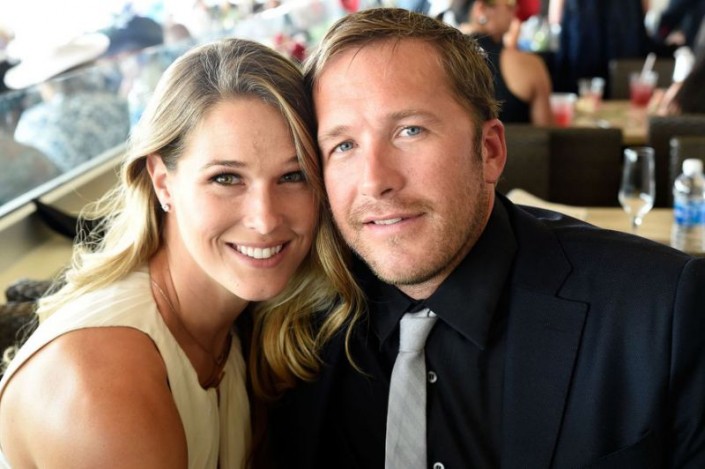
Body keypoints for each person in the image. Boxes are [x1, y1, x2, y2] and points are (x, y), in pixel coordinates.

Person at [268, 8, 705, 468]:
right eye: (344, 145)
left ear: (490, 150)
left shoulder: (662, 313)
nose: (375, 181)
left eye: (410, 130)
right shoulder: (290, 324)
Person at [0, 37, 361, 468]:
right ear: (162, 182)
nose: (265, 219)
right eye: (226, 178)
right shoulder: (103, 383)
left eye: (293, 176)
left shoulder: (244, 327)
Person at [461, 0, 554, 124]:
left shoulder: (442, 60)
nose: (515, 9)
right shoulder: (529, 65)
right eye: (509, 3)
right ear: (481, 8)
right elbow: (546, 132)